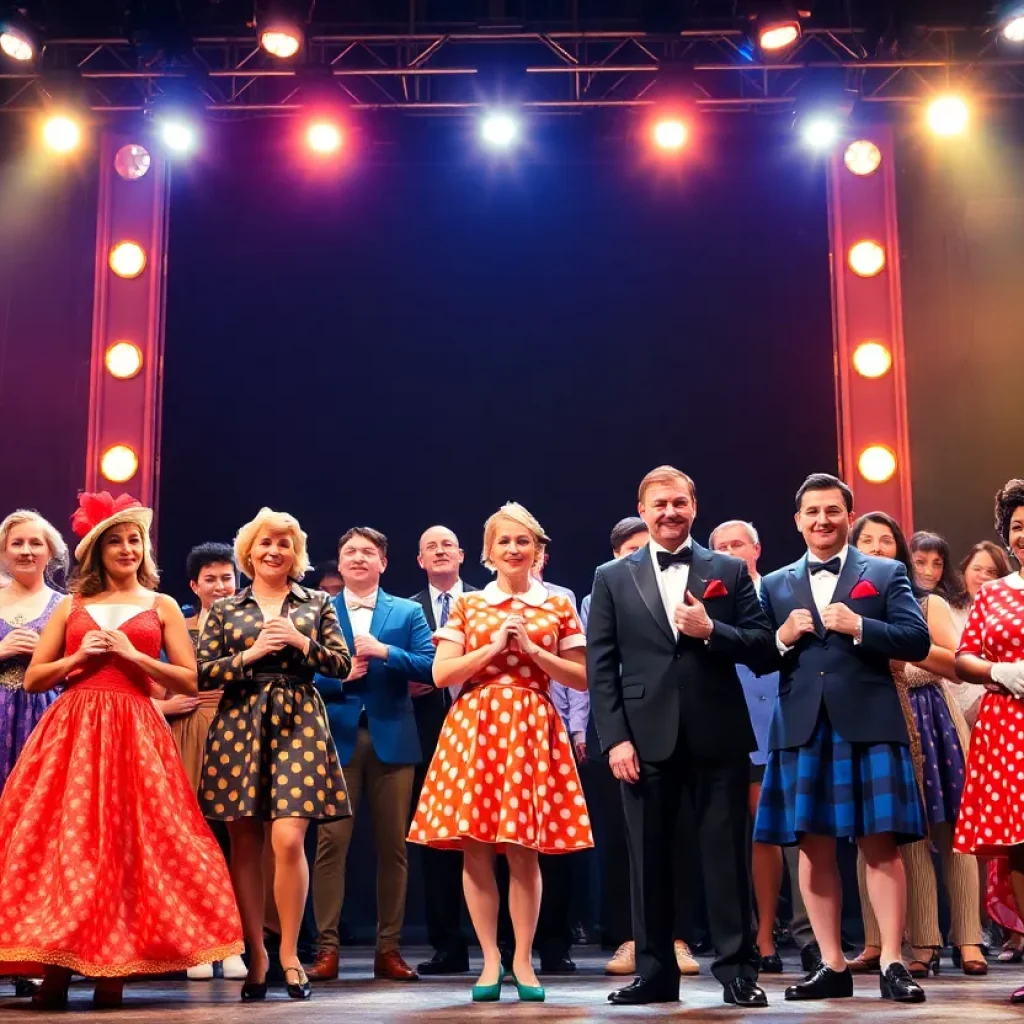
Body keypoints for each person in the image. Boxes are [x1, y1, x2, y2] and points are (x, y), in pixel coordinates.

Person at [0, 491, 243, 1009]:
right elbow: (34, 677)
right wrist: (76, 658)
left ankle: (115, 971)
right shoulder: (72, 605)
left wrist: (136, 656)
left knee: (130, 845)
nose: (128, 548)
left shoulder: (162, 605)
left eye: (135, 540)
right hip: (73, 727)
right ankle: (58, 968)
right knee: (66, 846)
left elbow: (189, 678)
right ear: (97, 551)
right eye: (117, 541)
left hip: (134, 726)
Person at [588, 466, 774, 1008]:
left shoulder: (727, 569)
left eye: (678, 503)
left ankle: (739, 970)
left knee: (724, 857)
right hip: (643, 739)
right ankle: (654, 973)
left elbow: (763, 646)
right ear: (642, 511)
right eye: (658, 505)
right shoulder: (611, 576)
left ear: (694, 506)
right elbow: (602, 667)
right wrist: (615, 738)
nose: (669, 513)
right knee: (648, 858)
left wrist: (712, 631)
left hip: (717, 731)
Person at [755, 473, 930, 1004]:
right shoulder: (775, 583)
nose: (822, 520)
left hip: (870, 722)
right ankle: (831, 963)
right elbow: (758, 654)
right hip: (803, 726)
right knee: (812, 846)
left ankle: (893, 962)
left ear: (849, 518)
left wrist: (859, 625)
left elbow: (917, 640)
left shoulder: (885, 570)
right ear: (798, 520)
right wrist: (782, 637)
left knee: (880, 846)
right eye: (812, 512)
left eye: (832, 511)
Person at [408, 503, 592, 1003]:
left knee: (524, 850)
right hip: (476, 725)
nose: (514, 549)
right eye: (504, 542)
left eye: (523, 541)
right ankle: (489, 958)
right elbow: (442, 674)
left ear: (537, 550)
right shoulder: (469, 604)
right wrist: (491, 649)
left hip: (532, 724)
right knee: (476, 847)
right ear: (488, 551)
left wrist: (534, 652)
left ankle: (523, 959)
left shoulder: (557, 605)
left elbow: (582, 675)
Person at [197, 507, 351, 1002]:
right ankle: (256, 954)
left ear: (295, 553)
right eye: (265, 543)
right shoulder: (225, 609)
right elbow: (202, 673)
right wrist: (250, 654)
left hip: (299, 716)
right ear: (249, 552)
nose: (273, 550)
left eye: (283, 543)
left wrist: (301, 642)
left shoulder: (317, 603)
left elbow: (342, 665)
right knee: (244, 842)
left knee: (288, 838)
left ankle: (288, 952)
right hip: (240, 721)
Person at [849, 513, 985, 978]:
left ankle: (968, 939)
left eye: (885, 540)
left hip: (932, 720)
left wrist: (898, 652)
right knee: (894, 838)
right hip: (875, 722)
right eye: (865, 540)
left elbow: (959, 663)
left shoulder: (925, 604)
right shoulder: (841, 605)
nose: (876, 548)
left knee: (953, 834)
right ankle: (919, 943)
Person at [309, 527, 435, 983]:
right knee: (330, 846)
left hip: (393, 736)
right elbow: (302, 674)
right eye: (350, 552)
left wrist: (387, 652)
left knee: (393, 848)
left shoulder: (407, 610)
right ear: (339, 565)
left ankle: (390, 948)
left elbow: (431, 665)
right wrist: (339, 679)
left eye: (368, 552)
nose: (359, 558)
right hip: (335, 738)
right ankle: (326, 949)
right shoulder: (320, 609)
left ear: (383, 562)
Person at [151, 542, 248, 983]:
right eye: (210, 578)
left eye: (227, 577)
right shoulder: (178, 626)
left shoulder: (251, 626)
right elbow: (150, 686)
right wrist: (166, 709)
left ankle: (235, 944)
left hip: (241, 731)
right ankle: (194, 943)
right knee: (189, 837)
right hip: (187, 730)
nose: (220, 585)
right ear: (194, 585)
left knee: (239, 838)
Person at [953, 479, 1024, 1004]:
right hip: (1007, 729)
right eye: (1017, 527)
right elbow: (963, 657)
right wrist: (999, 669)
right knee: (1018, 850)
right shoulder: (995, 593)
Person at [709, 520, 784, 974]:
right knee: (744, 834)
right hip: (732, 725)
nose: (731, 551)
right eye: (721, 546)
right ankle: (753, 934)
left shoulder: (778, 588)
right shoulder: (709, 590)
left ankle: (796, 934)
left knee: (790, 834)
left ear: (756, 548)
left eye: (738, 543)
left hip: (782, 720)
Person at [410, 525, 476, 975]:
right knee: (437, 841)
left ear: (462, 555)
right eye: (430, 546)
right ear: (419, 560)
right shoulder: (406, 610)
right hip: (425, 734)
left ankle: (509, 946)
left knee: (497, 835)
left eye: (446, 544)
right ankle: (448, 947)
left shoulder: (487, 601)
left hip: (486, 731)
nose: (439, 551)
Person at [0, 510, 67, 792]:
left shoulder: (68, 606)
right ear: (4, 551)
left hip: (46, 715)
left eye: (36, 543)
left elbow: (83, 669)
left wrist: (46, 653)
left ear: (50, 551)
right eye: (17, 543)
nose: (26, 551)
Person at [909, 531, 963, 604]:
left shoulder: (955, 604)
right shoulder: (896, 599)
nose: (928, 572)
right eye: (920, 562)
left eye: (937, 564)